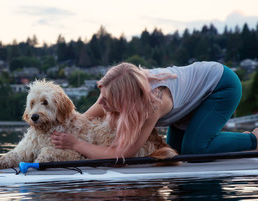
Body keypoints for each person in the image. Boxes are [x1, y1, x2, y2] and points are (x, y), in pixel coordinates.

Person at [51, 61, 258, 159]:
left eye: (107, 100)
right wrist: (63, 132)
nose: (101, 104)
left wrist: (76, 144)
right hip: (192, 99)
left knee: (196, 150)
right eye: (101, 95)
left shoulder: (153, 105)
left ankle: (254, 140)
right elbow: (83, 120)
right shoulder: (115, 87)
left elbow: (124, 153)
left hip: (221, 86)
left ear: (126, 101)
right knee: (179, 154)